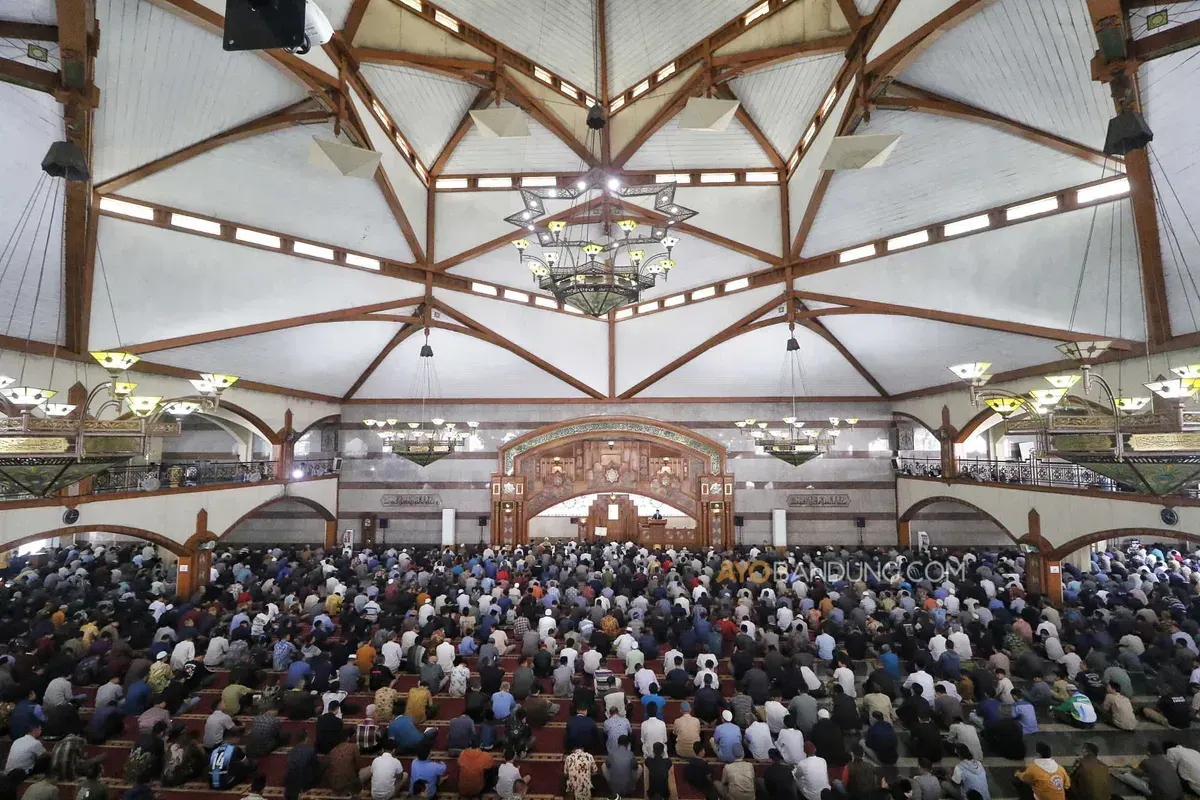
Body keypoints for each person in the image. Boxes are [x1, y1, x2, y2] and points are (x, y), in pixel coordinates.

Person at [1113, 742, 1183, 800]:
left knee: (1129, 776)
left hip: (1161, 797)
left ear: (1149, 752)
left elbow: (1136, 773)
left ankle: (1119, 774)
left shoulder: (1146, 762)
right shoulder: (1166, 760)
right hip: (1178, 795)